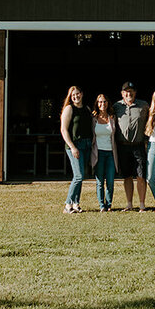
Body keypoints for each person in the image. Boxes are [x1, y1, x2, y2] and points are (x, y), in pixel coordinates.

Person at [112, 81, 149, 212]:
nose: (129, 93)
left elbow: (152, 119)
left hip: (138, 146)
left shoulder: (143, 105)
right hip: (123, 146)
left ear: (135, 93)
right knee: (127, 176)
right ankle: (129, 204)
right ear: (122, 93)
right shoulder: (116, 106)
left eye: (131, 91)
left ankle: (142, 204)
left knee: (141, 175)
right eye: (126, 91)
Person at [59, 85, 92, 213]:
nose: (76, 96)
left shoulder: (87, 109)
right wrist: (72, 147)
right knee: (78, 176)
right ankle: (67, 204)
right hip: (74, 146)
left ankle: (76, 204)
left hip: (86, 145)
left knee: (81, 176)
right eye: (73, 95)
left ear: (82, 94)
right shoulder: (69, 109)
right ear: (70, 97)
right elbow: (63, 130)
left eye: (77, 94)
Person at [90, 93, 119, 212]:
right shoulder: (93, 118)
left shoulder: (112, 118)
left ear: (108, 103)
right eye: (100, 102)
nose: (103, 104)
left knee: (111, 181)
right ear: (97, 104)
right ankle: (101, 205)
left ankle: (109, 204)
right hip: (98, 153)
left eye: (105, 102)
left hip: (111, 153)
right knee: (100, 181)